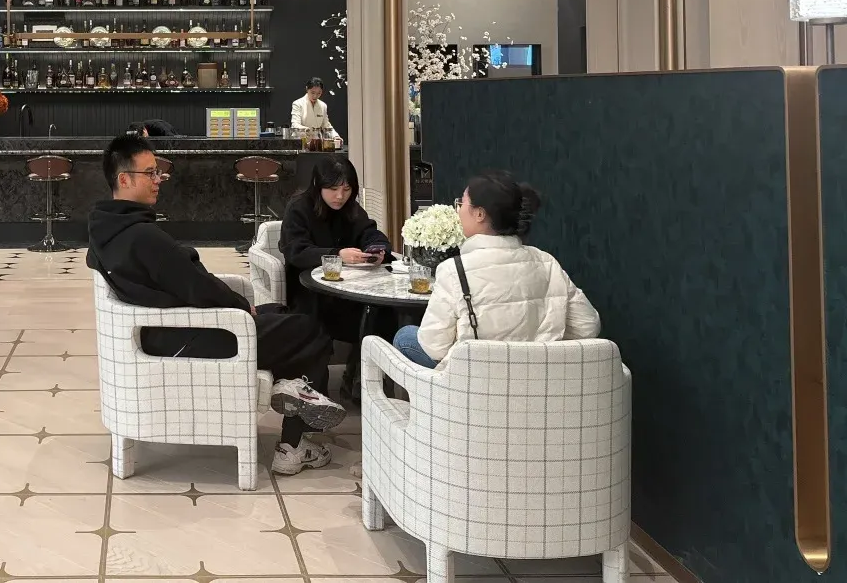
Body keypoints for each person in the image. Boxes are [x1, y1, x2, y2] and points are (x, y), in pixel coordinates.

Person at [87, 134, 346, 475]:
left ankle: (292, 390)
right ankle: (294, 443)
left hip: (167, 331)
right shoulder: (142, 236)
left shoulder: (106, 228)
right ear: (124, 179)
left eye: (158, 172)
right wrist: (241, 306)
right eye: (150, 173)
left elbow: (184, 282)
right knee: (310, 329)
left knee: (280, 314)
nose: (159, 179)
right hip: (191, 336)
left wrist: (241, 305)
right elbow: (197, 287)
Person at [393, 170, 601, 369]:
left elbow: (433, 346)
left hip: (475, 382)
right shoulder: (547, 263)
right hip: (537, 379)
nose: (458, 210)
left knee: (405, 337)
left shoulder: (454, 270)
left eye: (462, 203)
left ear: (480, 214)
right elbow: (588, 326)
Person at [279, 157, 392, 400]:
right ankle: (348, 382)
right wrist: (337, 255)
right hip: (309, 293)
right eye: (333, 189)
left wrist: (376, 249)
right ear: (318, 185)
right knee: (362, 315)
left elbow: (369, 232)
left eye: (347, 189)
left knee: (380, 312)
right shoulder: (299, 209)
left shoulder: (350, 208)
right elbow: (296, 251)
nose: (340, 196)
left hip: (348, 290)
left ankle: (361, 379)